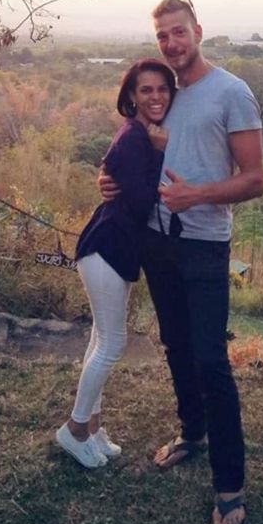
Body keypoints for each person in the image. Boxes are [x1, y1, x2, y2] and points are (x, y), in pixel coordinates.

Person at [101, 0, 263, 524]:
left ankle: (230, 484)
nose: (171, 44)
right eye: (162, 37)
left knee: (211, 360)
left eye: (179, 33)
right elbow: (138, 153)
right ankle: (192, 434)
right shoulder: (162, 93)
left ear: (198, 30)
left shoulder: (231, 92)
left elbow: (255, 179)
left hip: (203, 245)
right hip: (156, 241)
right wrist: (112, 181)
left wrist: (198, 197)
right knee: (174, 344)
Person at [55, 58, 176, 469]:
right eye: (146, 90)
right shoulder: (135, 139)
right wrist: (160, 154)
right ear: (131, 96)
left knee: (99, 340)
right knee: (111, 343)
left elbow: (127, 189)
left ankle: (92, 428)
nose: (156, 96)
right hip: (105, 249)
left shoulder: (139, 137)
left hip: (113, 252)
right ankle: (73, 430)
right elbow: (144, 202)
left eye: (162, 89)